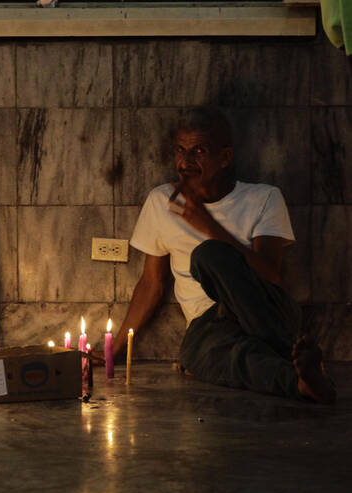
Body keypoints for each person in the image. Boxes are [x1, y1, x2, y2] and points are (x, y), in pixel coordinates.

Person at [112, 107, 336, 404]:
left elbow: (270, 273)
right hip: (210, 325)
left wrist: (207, 224)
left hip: (266, 310)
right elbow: (151, 285)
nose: (186, 161)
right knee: (209, 356)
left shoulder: (264, 197)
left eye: (199, 151)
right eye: (180, 150)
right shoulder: (161, 201)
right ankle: (302, 382)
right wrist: (113, 350)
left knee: (209, 256)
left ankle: (283, 350)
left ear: (225, 158)